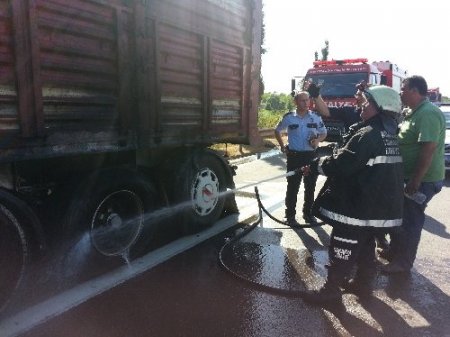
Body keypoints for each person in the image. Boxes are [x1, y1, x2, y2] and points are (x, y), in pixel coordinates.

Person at [300, 86, 404, 304]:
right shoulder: (389, 133)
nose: (362, 106)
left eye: (366, 102)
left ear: (381, 107)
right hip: (375, 208)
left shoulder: (369, 135)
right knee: (366, 246)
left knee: (343, 248)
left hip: (358, 207)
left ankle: (330, 293)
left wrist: (316, 164)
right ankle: (363, 284)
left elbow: (343, 164)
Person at [380, 75, 446, 274]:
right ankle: (395, 253)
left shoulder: (428, 113)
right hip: (408, 177)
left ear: (415, 91)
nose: (401, 92)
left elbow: (428, 149)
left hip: (422, 181)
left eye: (404, 88)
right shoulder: (412, 112)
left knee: (410, 222)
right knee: (400, 217)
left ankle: (403, 264)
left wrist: (416, 180)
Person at [274, 88, 328, 226]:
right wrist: (282, 146)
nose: (306, 103)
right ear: (296, 101)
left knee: (310, 186)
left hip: (311, 156)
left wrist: (317, 140)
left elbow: (324, 133)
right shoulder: (289, 117)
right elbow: (277, 130)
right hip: (294, 157)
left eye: (307, 100)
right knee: (293, 187)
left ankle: (308, 214)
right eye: (302, 100)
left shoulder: (315, 117)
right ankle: (290, 215)